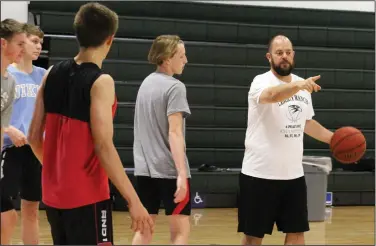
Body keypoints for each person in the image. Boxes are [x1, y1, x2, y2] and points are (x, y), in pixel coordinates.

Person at [27, 3, 153, 244]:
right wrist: (133, 200)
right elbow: (104, 146)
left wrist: (60, 173)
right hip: (88, 197)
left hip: (54, 196)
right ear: (110, 39)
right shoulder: (101, 81)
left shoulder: (51, 72)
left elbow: (33, 136)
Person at [238, 34, 334, 245]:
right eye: (279, 53)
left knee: (297, 234)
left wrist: (335, 140)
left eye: (288, 52)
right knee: (253, 237)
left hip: (293, 175)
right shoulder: (260, 82)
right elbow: (272, 96)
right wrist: (298, 87)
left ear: (293, 55)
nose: (284, 57)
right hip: (259, 174)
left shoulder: (302, 85)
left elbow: (306, 123)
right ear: (269, 57)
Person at [132, 35, 191, 245]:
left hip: (144, 169)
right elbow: (174, 132)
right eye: (182, 56)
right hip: (169, 169)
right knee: (180, 231)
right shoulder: (175, 87)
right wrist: (182, 174)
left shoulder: (145, 84)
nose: (186, 60)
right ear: (167, 59)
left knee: (144, 229)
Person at [2, 23, 45, 245]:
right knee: (5, 211)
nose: (38, 47)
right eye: (34, 41)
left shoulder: (44, 75)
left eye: (41, 43)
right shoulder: (7, 73)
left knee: (32, 210)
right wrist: (9, 128)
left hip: (34, 150)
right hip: (9, 148)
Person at [0, 18, 26, 245]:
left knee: (8, 216)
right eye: (19, 44)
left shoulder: (10, 82)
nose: (23, 49)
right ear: (3, 44)